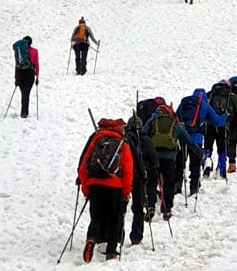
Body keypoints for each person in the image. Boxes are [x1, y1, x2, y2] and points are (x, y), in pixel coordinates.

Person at [77, 118, 133, 262]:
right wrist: (126, 192)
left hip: (95, 184)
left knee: (96, 217)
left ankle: (91, 239)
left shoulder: (96, 140)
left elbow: (84, 165)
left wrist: (86, 188)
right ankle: (111, 251)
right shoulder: (122, 143)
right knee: (114, 218)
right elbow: (128, 171)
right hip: (115, 186)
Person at [142, 104, 203, 220]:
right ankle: (167, 209)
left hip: (153, 157)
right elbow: (188, 141)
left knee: (151, 182)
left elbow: (143, 135)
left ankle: (151, 206)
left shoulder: (152, 121)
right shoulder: (175, 124)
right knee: (169, 183)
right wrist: (200, 153)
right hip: (169, 158)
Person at [175, 89, 227, 195]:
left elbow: (175, 117)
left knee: (180, 164)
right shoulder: (204, 105)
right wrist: (225, 116)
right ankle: (194, 188)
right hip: (196, 140)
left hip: (182, 138)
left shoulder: (184, 102)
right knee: (195, 165)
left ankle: (177, 187)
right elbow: (217, 121)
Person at [203, 80, 237, 179]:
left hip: (209, 125)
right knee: (222, 149)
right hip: (223, 126)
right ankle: (221, 171)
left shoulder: (210, 94)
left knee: (207, 147)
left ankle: (207, 163)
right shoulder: (230, 95)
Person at [124, 115, 158, 245]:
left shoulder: (124, 139)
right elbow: (154, 160)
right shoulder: (145, 140)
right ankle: (136, 237)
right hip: (139, 177)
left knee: (121, 208)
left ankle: (117, 237)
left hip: (125, 177)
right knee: (138, 208)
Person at [14, 36, 39, 118]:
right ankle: (24, 112)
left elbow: (17, 65)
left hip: (20, 73)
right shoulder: (34, 51)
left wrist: (16, 78)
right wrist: (37, 76)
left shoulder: (19, 51)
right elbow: (36, 64)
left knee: (23, 93)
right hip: (30, 73)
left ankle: (23, 112)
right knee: (26, 93)